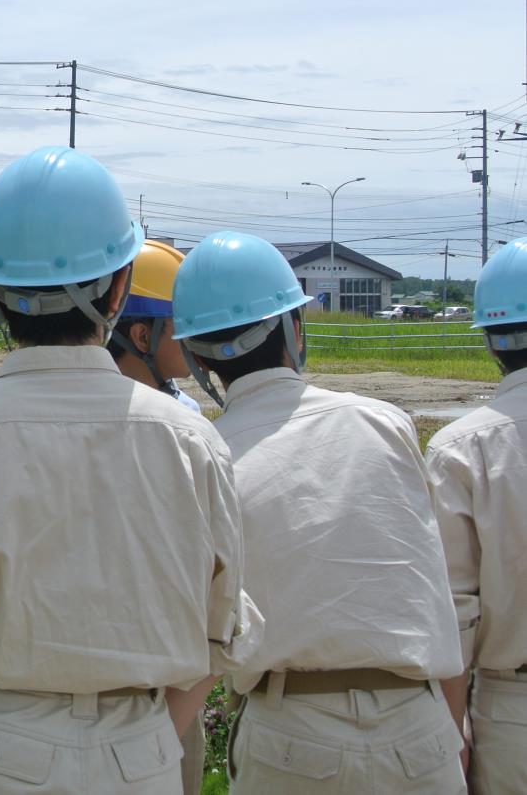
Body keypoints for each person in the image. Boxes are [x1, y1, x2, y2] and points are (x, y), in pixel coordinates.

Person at [0, 146, 261, 795]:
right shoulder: (192, 442)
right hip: (140, 756)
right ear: (120, 286)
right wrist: (153, 741)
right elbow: (222, 635)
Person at [171, 230, 463, 793]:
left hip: (289, 733)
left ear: (195, 355)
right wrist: (456, 727)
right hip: (418, 725)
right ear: (293, 328)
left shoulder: (205, 454)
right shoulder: (384, 422)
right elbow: (433, 587)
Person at [427, 236, 527, 793]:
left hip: (513, 710)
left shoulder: (463, 448)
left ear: (492, 341)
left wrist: (451, 730)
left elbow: (453, 611)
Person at [107, 237, 205, 794]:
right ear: (142, 335)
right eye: (179, 325)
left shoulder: (186, 416)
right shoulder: (171, 430)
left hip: (169, 694)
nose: (191, 339)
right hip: (158, 693)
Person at [109, 239, 202, 413]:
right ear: (143, 336)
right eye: (185, 325)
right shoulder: (183, 422)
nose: (196, 338)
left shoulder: (187, 409)